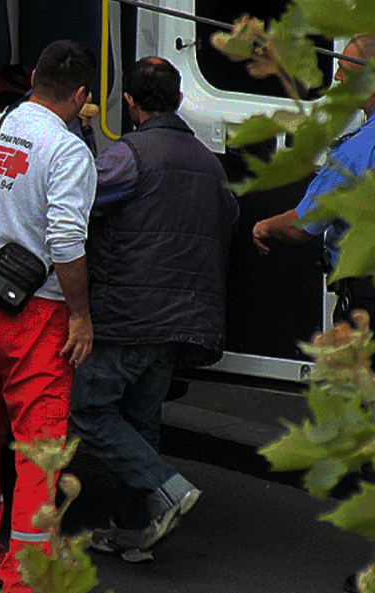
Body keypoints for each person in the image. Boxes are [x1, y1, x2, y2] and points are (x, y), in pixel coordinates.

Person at [250, 36, 375, 593]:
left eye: (341, 70)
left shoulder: (361, 148)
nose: (334, 80)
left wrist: (264, 225)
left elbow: (303, 222)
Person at [68, 56, 239, 562]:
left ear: (130, 102)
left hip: (129, 315)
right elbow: (227, 215)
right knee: (140, 420)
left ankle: (168, 487)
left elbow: (82, 195)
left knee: (88, 408)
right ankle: (135, 531)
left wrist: (80, 141)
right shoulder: (210, 163)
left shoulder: (130, 155)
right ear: (181, 100)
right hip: (185, 320)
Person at [0, 39, 96, 593]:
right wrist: (80, 315)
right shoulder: (67, 151)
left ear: (31, 75)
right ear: (81, 97)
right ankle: (21, 581)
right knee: (38, 451)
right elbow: (65, 237)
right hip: (36, 313)